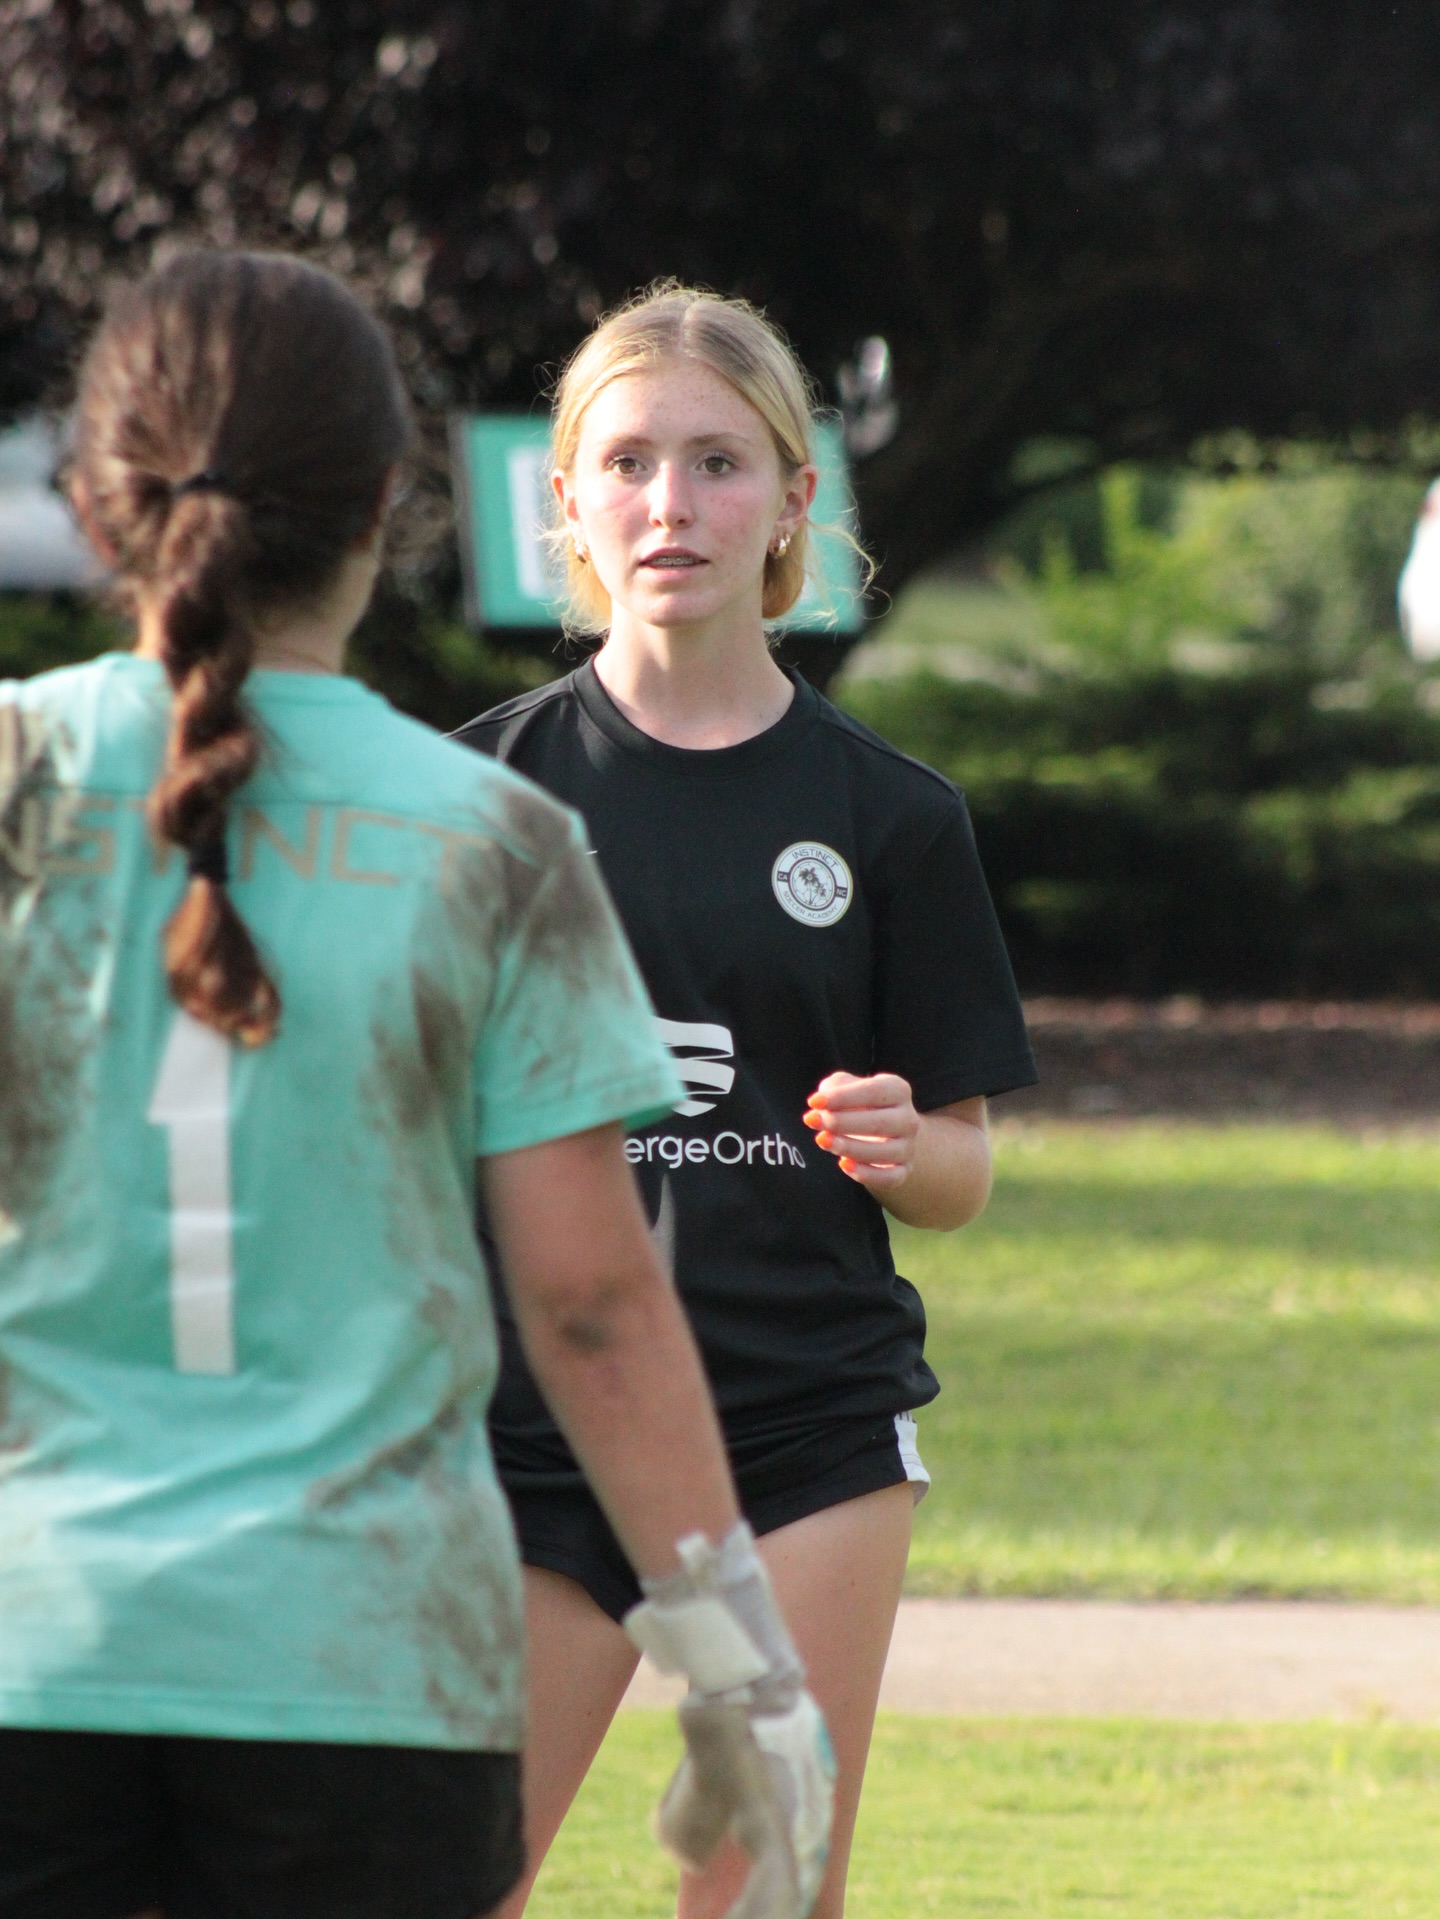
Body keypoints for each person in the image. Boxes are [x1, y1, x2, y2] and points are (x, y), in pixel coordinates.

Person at [0, 252, 833, 1919]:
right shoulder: (491, 834)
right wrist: (743, 1668)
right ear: (388, 507)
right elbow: (592, 1299)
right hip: (367, 1668)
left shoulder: (15, 777)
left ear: (95, 507)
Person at [454, 284, 1037, 1919]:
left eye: (719, 463)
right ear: (563, 495)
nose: (671, 504)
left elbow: (963, 1174)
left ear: (795, 496)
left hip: (805, 1436)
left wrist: (902, 1143)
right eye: (628, 460)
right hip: (531, 1443)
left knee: (766, 1895)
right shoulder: (479, 803)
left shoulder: (893, 820)